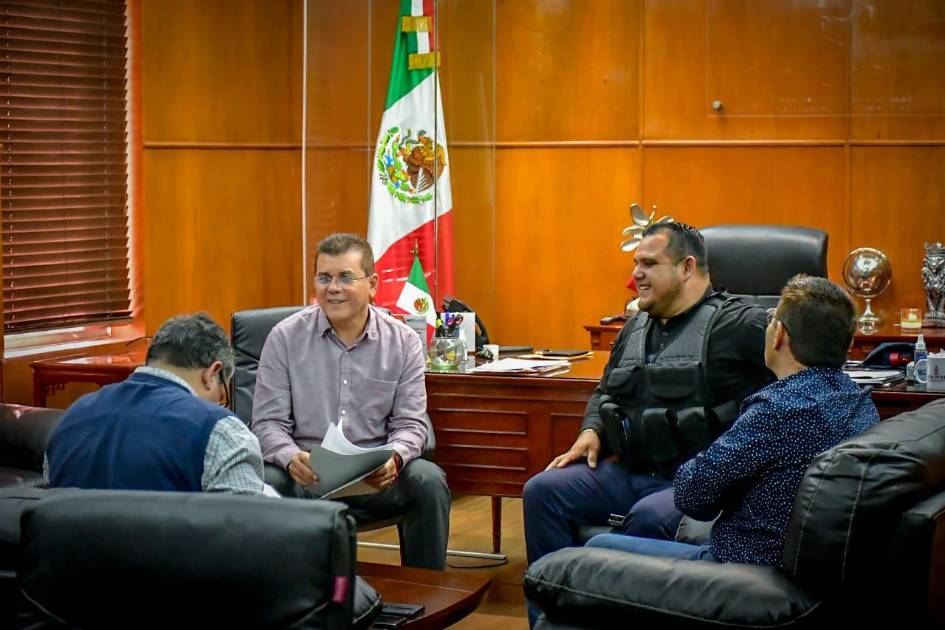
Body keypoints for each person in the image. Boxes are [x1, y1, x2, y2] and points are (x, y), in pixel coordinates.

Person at [523, 222, 773, 568]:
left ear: (687, 267)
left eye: (649, 264)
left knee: (647, 518)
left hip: (700, 483)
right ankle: (557, 596)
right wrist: (592, 429)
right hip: (631, 473)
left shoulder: (743, 324)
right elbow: (606, 390)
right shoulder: (633, 328)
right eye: (636, 263)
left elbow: (793, 387)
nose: (636, 275)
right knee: (542, 491)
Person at [586, 274, 880, 565]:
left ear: (779, 334)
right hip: (815, 566)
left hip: (743, 569)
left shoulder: (776, 409)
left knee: (595, 550)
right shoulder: (859, 400)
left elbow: (691, 494)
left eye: (770, 320)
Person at [252, 232, 450, 570]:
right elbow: (267, 422)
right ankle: (281, 592)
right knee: (266, 481)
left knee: (427, 480)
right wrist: (289, 457)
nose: (333, 288)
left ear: (372, 284)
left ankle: (426, 590)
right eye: (324, 278)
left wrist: (395, 458)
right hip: (307, 477)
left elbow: (411, 423)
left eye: (345, 277)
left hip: (376, 479)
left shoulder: (403, 341)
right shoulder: (284, 337)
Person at [46, 313, 267, 495]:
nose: (219, 404)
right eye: (221, 395)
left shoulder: (71, 417)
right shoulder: (221, 430)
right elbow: (242, 528)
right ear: (212, 373)